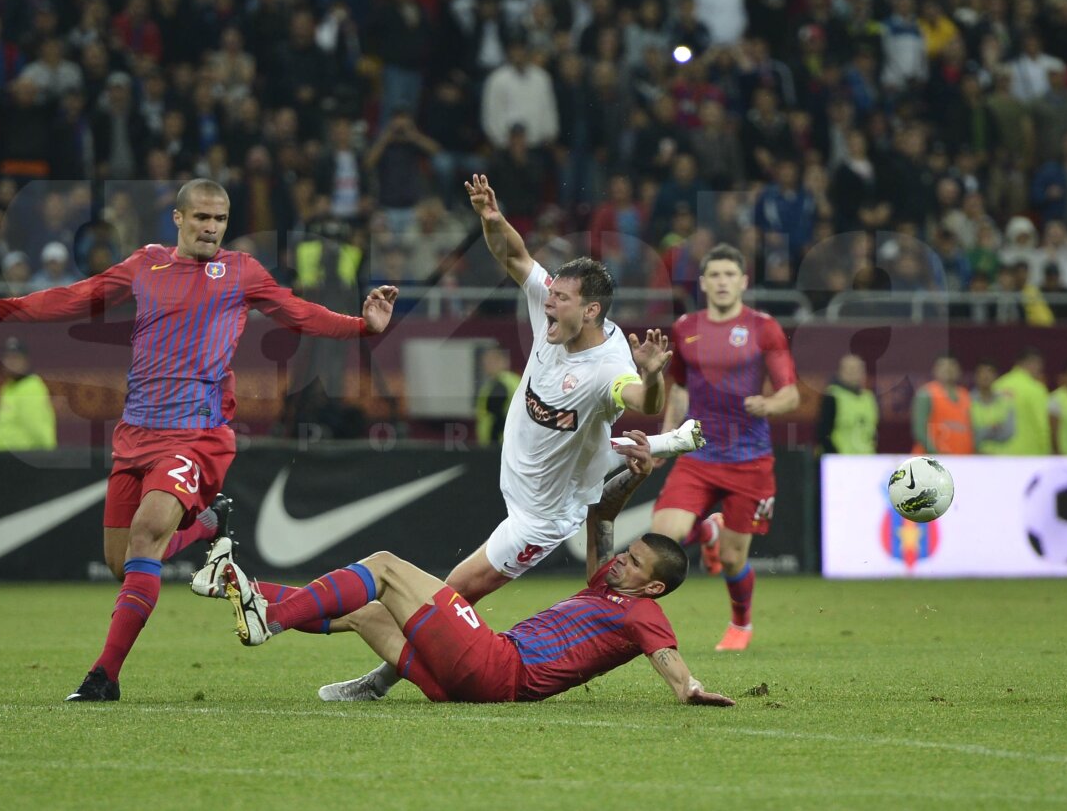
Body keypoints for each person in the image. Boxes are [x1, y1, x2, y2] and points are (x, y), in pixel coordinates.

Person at [0, 178, 398, 702]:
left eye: (221, 220)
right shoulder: (146, 264)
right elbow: (75, 298)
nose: (211, 228)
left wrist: (362, 327)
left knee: (146, 535)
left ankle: (103, 677)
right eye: (202, 218)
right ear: (179, 220)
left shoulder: (241, 272)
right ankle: (208, 523)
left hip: (197, 436)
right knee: (126, 562)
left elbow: (299, 312)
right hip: (135, 434)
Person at [279, 173, 703, 700]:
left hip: (542, 516)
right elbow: (517, 258)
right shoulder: (551, 308)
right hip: (527, 476)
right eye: (551, 294)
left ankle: (362, 670)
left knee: (447, 595)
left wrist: (655, 374)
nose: (549, 304)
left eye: (562, 299)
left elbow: (644, 402)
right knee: (435, 598)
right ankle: (674, 442)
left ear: (591, 310)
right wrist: (490, 217)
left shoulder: (607, 367)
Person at [198, 432, 734, 707]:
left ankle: (269, 619)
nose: (620, 559)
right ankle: (233, 582)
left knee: (383, 566)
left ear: (655, 586)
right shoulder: (605, 585)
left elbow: (665, 654)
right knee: (366, 611)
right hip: (467, 683)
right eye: (626, 552)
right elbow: (602, 514)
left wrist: (688, 689)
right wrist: (636, 476)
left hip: (499, 667)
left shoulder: (640, 612)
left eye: (633, 561)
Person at [651, 243, 800, 652]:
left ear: (743, 282)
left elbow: (790, 394)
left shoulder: (763, 327)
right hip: (699, 454)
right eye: (714, 275)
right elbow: (678, 387)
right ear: (702, 283)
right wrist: (665, 441)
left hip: (749, 460)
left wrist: (767, 404)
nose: (721, 282)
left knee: (733, 560)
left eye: (729, 275)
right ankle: (707, 528)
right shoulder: (684, 328)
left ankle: (741, 624)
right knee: (663, 538)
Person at [0, 337, 57, 451]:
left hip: (25, 461)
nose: (11, 362)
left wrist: (47, 461)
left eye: (16, 358)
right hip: (5, 461)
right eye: (7, 358)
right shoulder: (8, 388)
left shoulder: (31, 388)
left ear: (26, 361)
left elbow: (38, 429)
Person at [992, 347, 1052, 455]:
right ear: (1033, 363)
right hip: (1029, 457)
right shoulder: (1036, 389)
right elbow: (1042, 427)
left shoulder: (997, 385)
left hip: (999, 456)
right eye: (1039, 366)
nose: (1040, 370)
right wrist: (1045, 453)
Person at [911, 354, 975, 456]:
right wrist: (936, 455)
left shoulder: (966, 395)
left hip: (963, 461)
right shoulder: (926, 393)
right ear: (935, 370)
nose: (948, 369)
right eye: (943, 366)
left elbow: (972, 429)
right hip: (932, 461)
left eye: (952, 365)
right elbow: (919, 431)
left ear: (959, 371)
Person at [816, 354, 878, 455]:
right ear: (840, 372)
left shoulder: (869, 398)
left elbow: (872, 432)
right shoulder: (832, 396)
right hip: (839, 459)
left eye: (857, 369)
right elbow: (822, 433)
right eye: (849, 369)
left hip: (867, 459)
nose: (853, 373)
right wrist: (834, 456)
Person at [474, 346, 521, 445]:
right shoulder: (513, 381)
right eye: (487, 360)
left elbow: (496, 419)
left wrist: (492, 444)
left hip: (500, 445)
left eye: (494, 360)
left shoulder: (501, 385)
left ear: (504, 361)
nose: (488, 364)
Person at [969, 360, 1016, 454]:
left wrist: (983, 432)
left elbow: (1009, 432)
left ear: (995, 376)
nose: (986, 376)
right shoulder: (967, 401)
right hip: (976, 457)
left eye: (989, 372)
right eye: (982, 372)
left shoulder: (1006, 401)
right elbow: (970, 435)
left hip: (1002, 458)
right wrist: (991, 429)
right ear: (976, 376)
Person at [1049, 361, 1067, 456]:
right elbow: (1052, 431)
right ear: (1065, 376)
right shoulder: (1056, 399)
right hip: (1065, 457)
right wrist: (1057, 452)